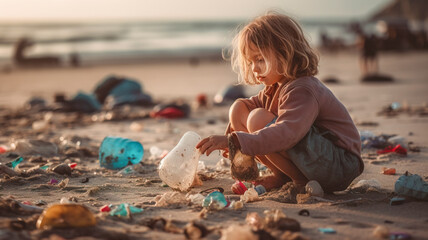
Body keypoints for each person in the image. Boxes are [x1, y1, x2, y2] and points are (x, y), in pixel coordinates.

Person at [196, 12, 363, 193]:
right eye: (251, 62)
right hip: (320, 159)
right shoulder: (276, 87)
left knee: (257, 119)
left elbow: (287, 133)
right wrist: (232, 140)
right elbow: (245, 109)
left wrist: (236, 141)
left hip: (339, 165)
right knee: (239, 107)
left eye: (260, 59)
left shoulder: (302, 89)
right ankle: (281, 175)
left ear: (285, 52)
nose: (254, 68)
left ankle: (298, 181)